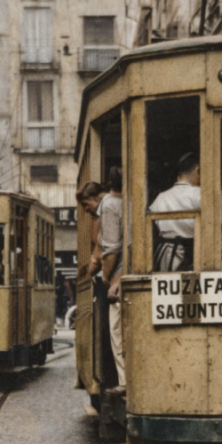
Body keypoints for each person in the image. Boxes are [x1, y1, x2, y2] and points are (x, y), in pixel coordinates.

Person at [149, 152, 201, 271]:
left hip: (166, 260)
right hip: (195, 257)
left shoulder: (160, 197)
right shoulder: (200, 195)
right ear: (198, 170)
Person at [100, 167, 126, 397]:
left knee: (116, 331)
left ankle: (124, 381)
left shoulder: (109, 206)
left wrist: (107, 277)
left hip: (119, 278)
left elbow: (111, 248)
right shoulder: (133, 202)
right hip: (133, 271)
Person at [76, 180, 107, 278]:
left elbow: (97, 254)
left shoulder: (105, 214)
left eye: (85, 204)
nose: (85, 209)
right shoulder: (99, 216)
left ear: (96, 199)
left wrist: (90, 270)